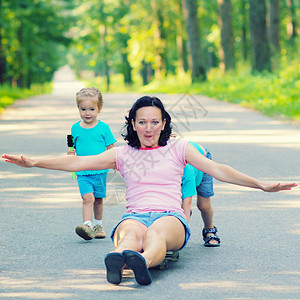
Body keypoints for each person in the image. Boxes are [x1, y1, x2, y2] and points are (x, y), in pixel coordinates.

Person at [2, 96, 297, 286]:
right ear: (133, 123)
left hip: (170, 216)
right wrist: (34, 162)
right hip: (135, 214)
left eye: (154, 122)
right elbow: (77, 161)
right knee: (131, 233)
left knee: (155, 234)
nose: (148, 127)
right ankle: (119, 259)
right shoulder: (123, 153)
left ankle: (140, 261)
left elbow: (217, 169)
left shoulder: (179, 147)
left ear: (164, 123)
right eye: (142, 122)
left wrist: (261, 185)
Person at [67, 87, 116, 240]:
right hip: (81, 170)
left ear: (99, 108)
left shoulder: (104, 127)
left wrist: (114, 162)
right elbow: (71, 145)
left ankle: (98, 224)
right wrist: (70, 154)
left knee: (99, 199)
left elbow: (111, 147)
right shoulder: (75, 128)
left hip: (100, 170)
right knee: (88, 198)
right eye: (83, 109)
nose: (87, 113)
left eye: (91, 109)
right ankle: (87, 224)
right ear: (78, 109)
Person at [181, 142, 220, 247]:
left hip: (202, 158)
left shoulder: (186, 172)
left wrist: (181, 234)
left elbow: (187, 202)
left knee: (203, 205)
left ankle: (209, 229)